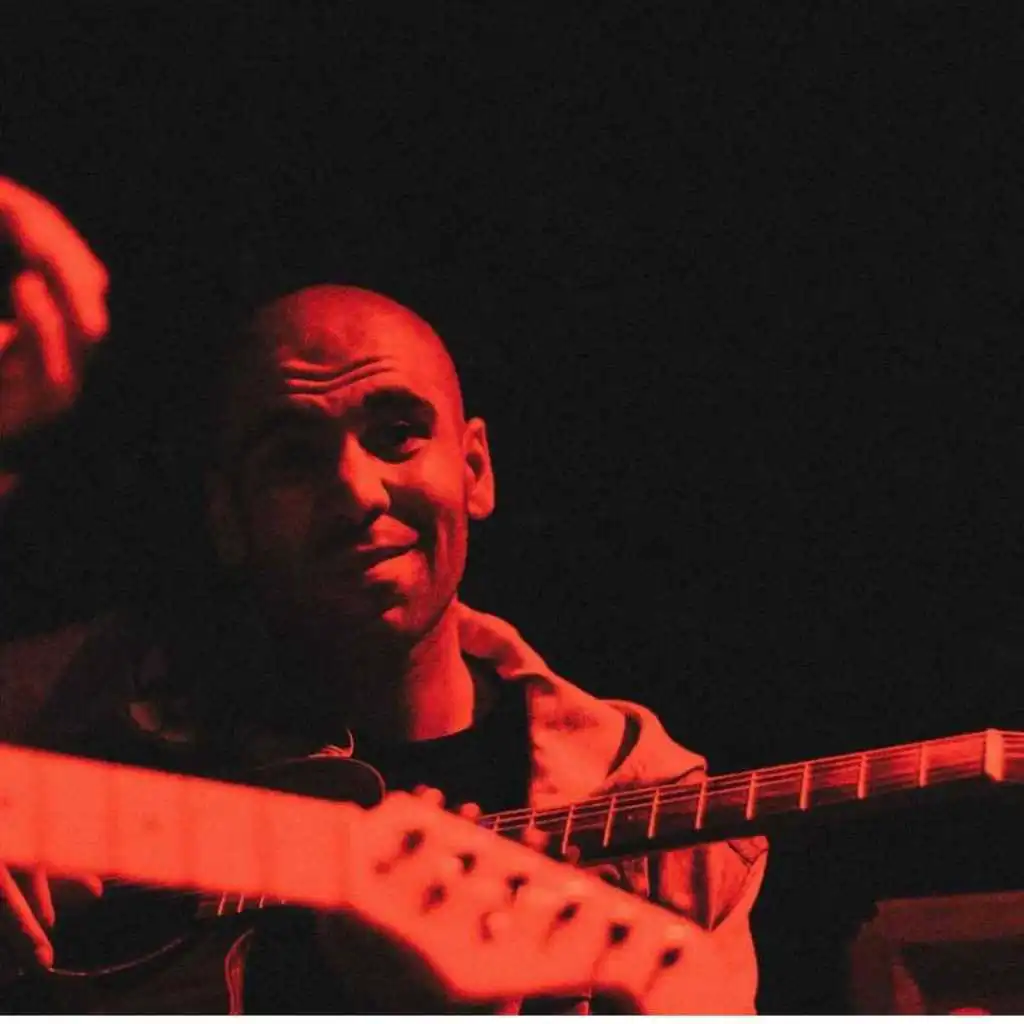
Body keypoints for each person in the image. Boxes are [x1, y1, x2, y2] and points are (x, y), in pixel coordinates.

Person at [0, 178, 767, 1013]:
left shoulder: (656, 816)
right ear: (225, 517)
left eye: (398, 435)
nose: (357, 492)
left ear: (474, 469)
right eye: (295, 457)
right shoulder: (69, 720)